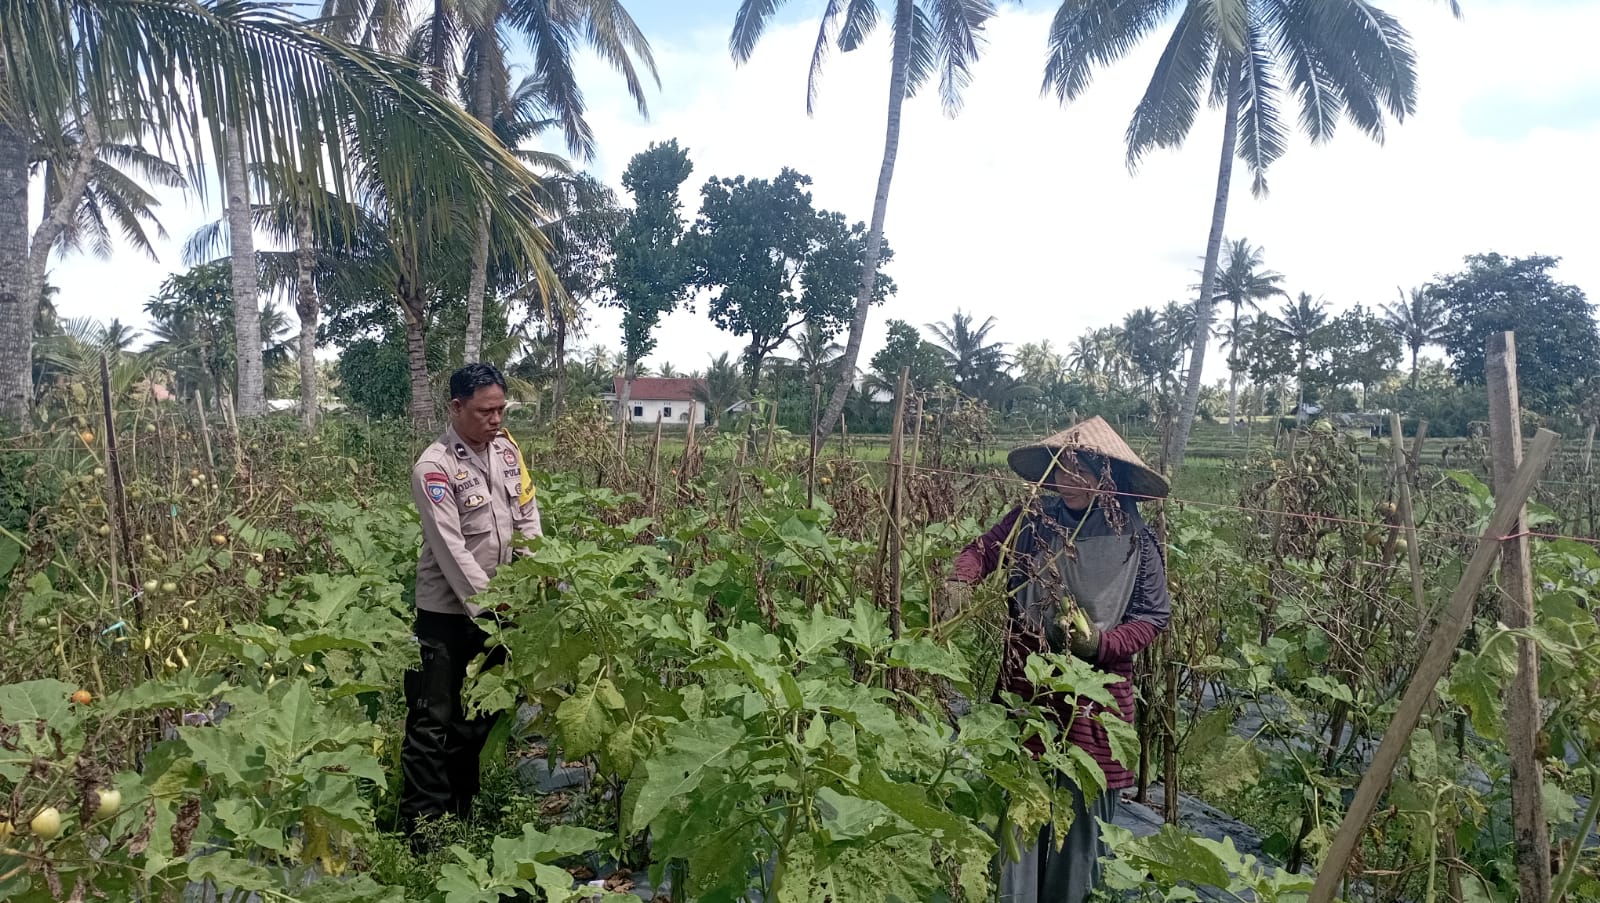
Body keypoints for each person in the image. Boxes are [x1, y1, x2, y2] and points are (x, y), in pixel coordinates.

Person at [945, 416, 1171, 903]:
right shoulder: (1032, 518)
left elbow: (1153, 617)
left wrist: (1099, 645)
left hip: (1094, 704)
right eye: (1062, 469)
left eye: (1082, 471)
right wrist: (961, 578)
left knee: (1080, 843)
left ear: (1109, 478)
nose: (1069, 481)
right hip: (1026, 693)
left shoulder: (1136, 538)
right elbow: (983, 550)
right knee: (1016, 829)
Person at [399, 363, 542, 837]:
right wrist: (493, 604)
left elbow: (527, 517)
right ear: (456, 407)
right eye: (485, 411)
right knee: (432, 721)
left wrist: (535, 576)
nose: (496, 419)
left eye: (501, 409)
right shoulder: (434, 467)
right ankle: (423, 830)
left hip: (501, 610)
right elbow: (450, 548)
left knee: (478, 716)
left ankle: (461, 816)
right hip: (448, 612)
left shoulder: (507, 451)